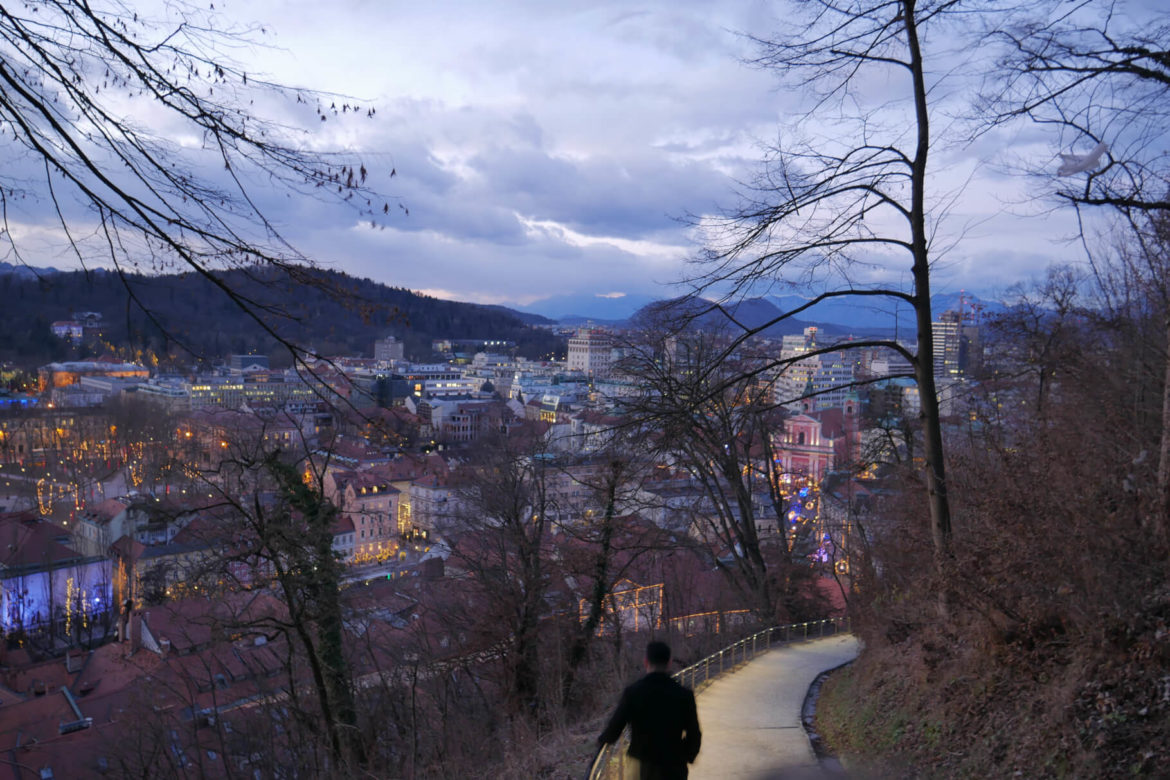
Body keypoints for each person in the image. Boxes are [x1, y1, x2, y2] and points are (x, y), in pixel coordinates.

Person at [597, 640, 701, 780]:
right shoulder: (684, 694)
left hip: (641, 765)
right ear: (669, 663)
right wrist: (686, 755)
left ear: (646, 662)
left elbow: (614, 729)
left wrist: (602, 740)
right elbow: (694, 734)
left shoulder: (633, 692)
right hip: (673, 766)